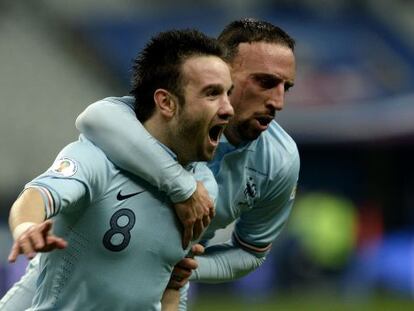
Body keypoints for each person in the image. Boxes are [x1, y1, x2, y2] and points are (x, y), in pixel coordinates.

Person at [76, 18, 300, 310]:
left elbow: (251, 252)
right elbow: (94, 118)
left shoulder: (279, 160)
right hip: (75, 278)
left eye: (287, 87)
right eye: (266, 82)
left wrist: (187, 267)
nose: (278, 101)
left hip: (164, 291)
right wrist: (183, 189)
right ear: (222, 70)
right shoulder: (165, 115)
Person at [1, 29, 234, 310]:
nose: (228, 108)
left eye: (227, 94)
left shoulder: (203, 186)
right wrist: (27, 227)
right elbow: (36, 196)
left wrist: (174, 285)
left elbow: (170, 289)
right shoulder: (98, 158)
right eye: (212, 94)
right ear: (167, 103)